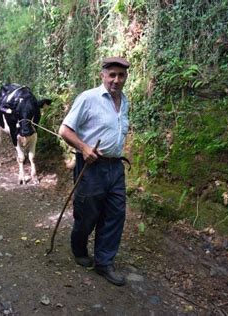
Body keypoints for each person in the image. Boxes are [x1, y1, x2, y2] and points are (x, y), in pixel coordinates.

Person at [58, 56, 130, 286]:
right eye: (112, 75)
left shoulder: (125, 101)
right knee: (87, 214)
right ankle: (79, 248)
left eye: (121, 75)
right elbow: (65, 130)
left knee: (115, 214)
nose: (116, 80)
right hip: (91, 166)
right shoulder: (88, 98)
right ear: (103, 75)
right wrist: (84, 147)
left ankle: (104, 262)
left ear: (126, 77)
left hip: (116, 167)